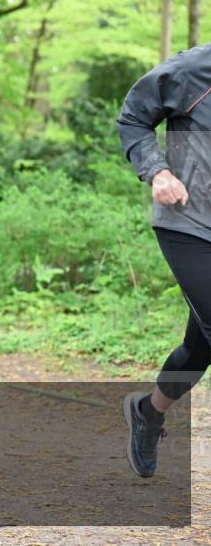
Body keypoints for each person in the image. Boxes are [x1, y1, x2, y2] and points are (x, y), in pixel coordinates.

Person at [117, 43, 210, 478]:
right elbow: (134, 116)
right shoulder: (194, 70)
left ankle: (148, 412)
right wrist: (157, 170)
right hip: (188, 222)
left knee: (199, 347)